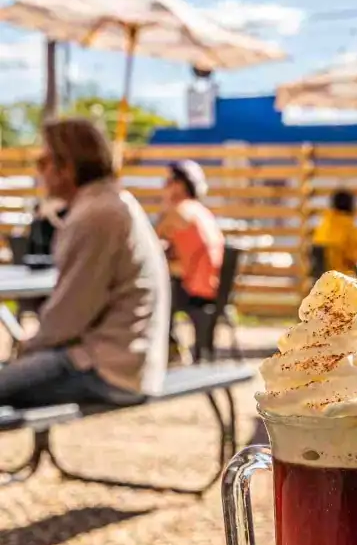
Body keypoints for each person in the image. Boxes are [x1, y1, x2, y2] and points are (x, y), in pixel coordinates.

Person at [0, 118, 170, 409]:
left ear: (68, 166)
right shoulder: (112, 202)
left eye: (43, 161)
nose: (38, 170)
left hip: (108, 368)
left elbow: (69, 313)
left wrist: (27, 348)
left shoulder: (95, 214)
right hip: (130, 362)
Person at [156, 160, 225, 357]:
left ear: (180, 185)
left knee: (154, 287)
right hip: (211, 287)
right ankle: (170, 347)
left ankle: (167, 349)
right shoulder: (200, 211)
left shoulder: (178, 212)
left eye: (168, 181)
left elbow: (150, 247)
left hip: (194, 289)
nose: (164, 186)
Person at [312, 189, 357, 277]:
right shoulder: (348, 226)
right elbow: (356, 257)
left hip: (322, 281)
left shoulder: (324, 223)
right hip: (342, 278)